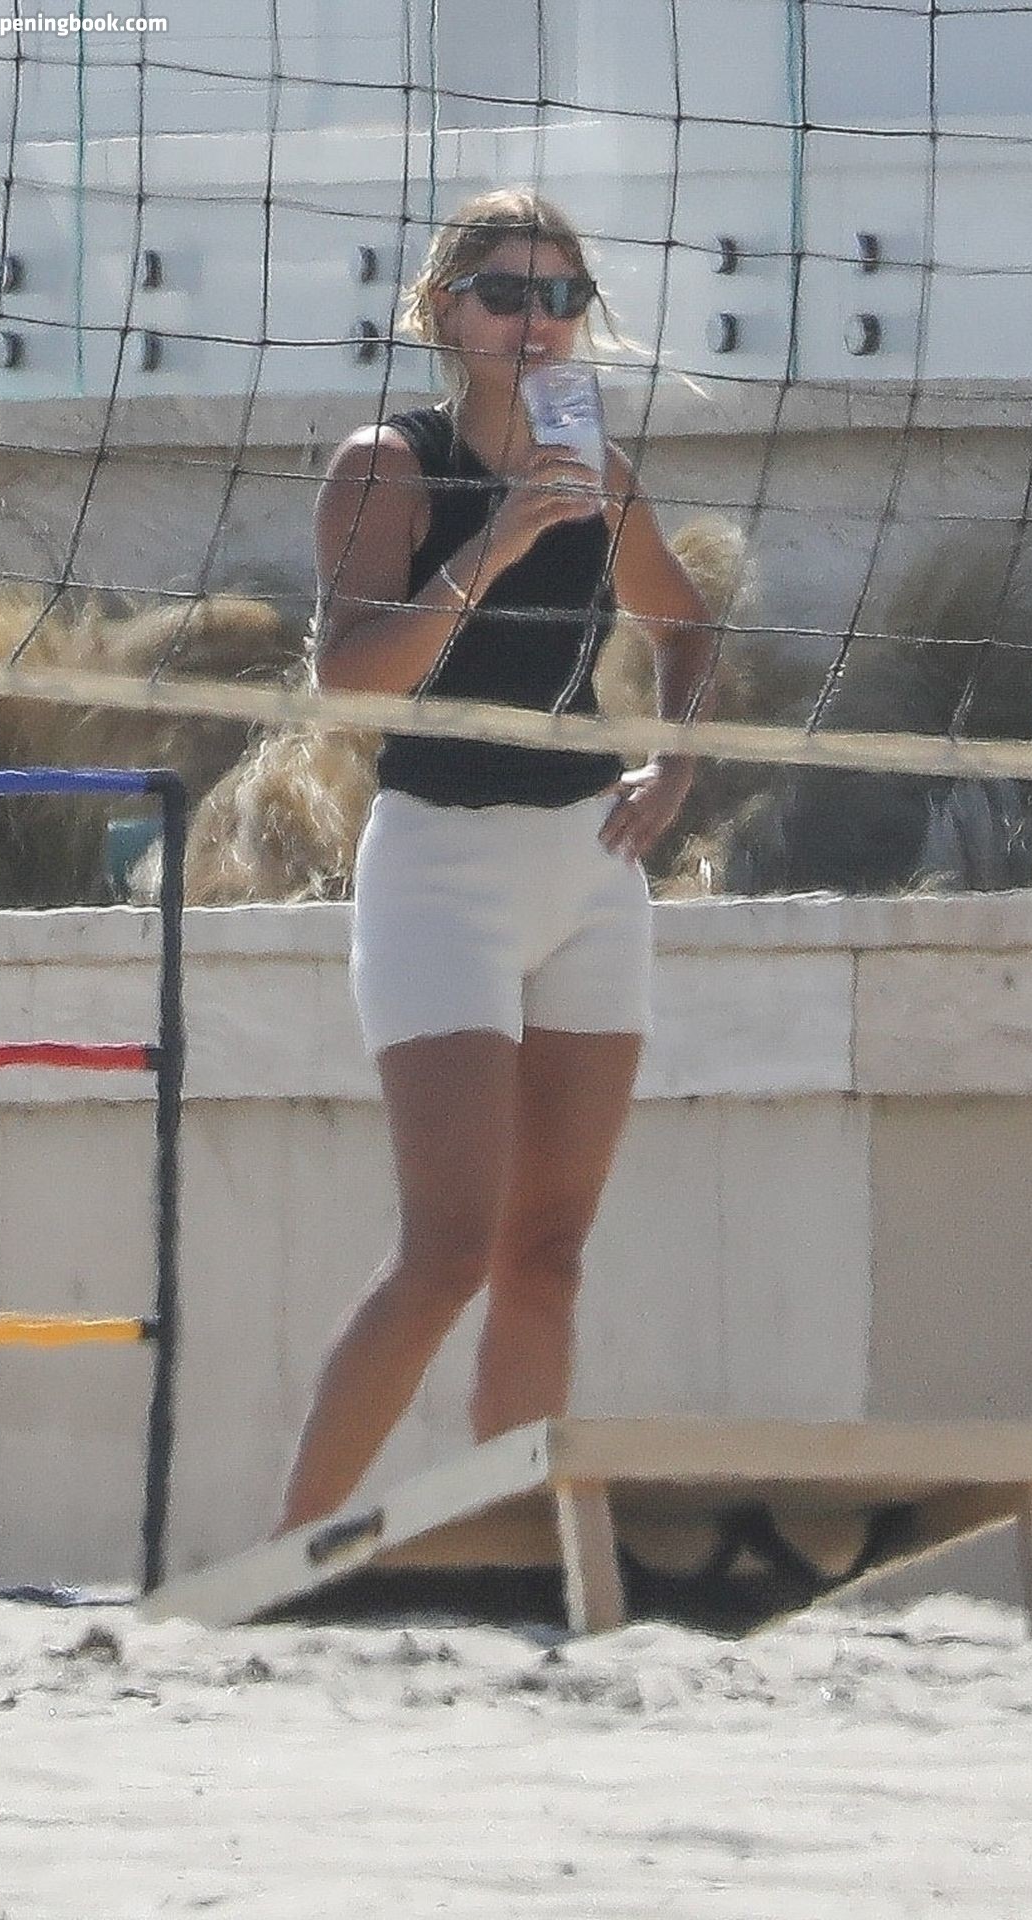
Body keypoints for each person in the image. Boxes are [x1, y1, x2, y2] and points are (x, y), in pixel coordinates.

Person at [275, 187, 718, 1534]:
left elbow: (688, 627)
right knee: (447, 1249)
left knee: (549, 1254)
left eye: (561, 297)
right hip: (441, 865)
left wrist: (675, 765)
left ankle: (516, 1550)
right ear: (443, 310)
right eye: (508, 294)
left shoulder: (599, 467)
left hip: (586, 863)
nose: (537, 323)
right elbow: (350, 681)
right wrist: (500, 539)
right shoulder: (388, 465)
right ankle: (283, 1559)